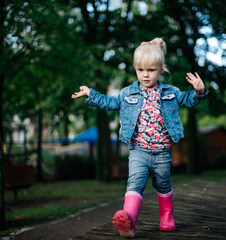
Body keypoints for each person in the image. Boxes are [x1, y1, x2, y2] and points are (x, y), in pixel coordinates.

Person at [71, 37, 208, 238]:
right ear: (136, 69)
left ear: (161, 69)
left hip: (162, 152)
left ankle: (167, 217)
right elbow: (110, 103)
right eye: (140, 70)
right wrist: (91, 94)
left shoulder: (171, 92)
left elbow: (188, 99)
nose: (145, 75)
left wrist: (199, 91)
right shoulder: (128, 93)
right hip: (138, 151)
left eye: (151, 70)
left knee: (163, 184)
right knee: (134, 183)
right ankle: (129, 221)